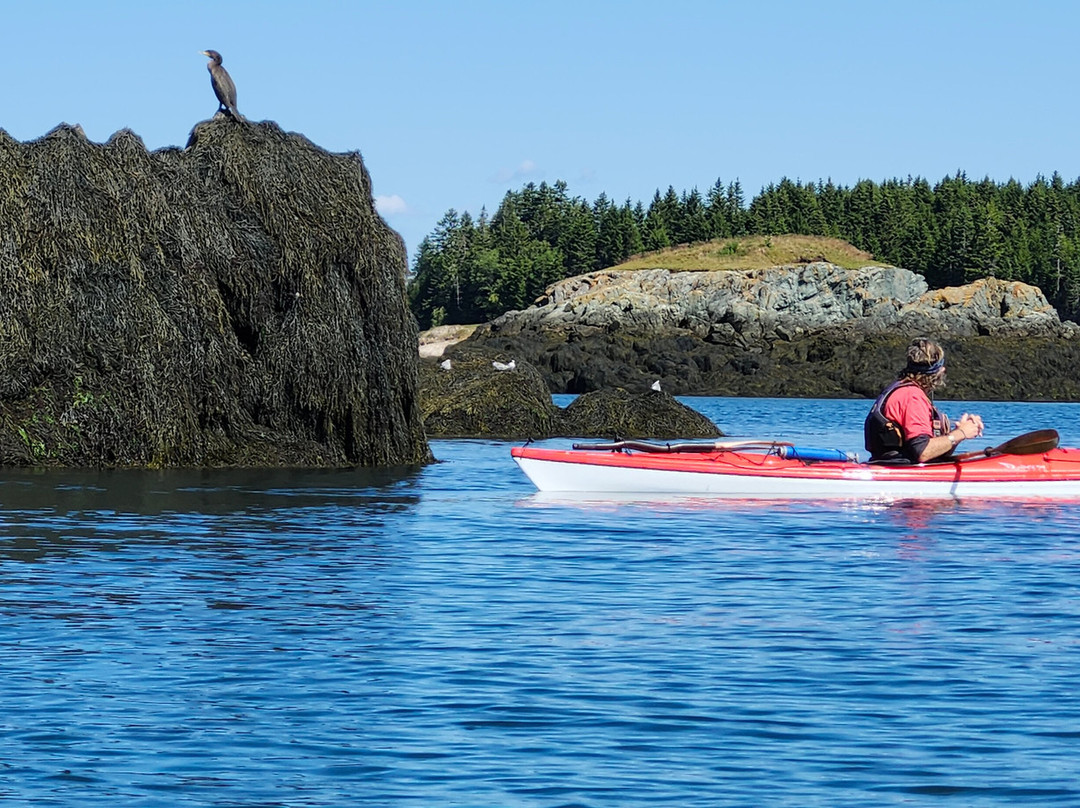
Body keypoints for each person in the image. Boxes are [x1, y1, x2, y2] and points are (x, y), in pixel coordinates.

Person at [864, 337, 984, 463]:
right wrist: (961, 433)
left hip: (889, 465)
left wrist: (958, 434)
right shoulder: (912, 397)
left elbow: (929, 451)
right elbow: (923, 452)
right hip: (900, 472)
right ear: (939, 371)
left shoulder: (901, 389)